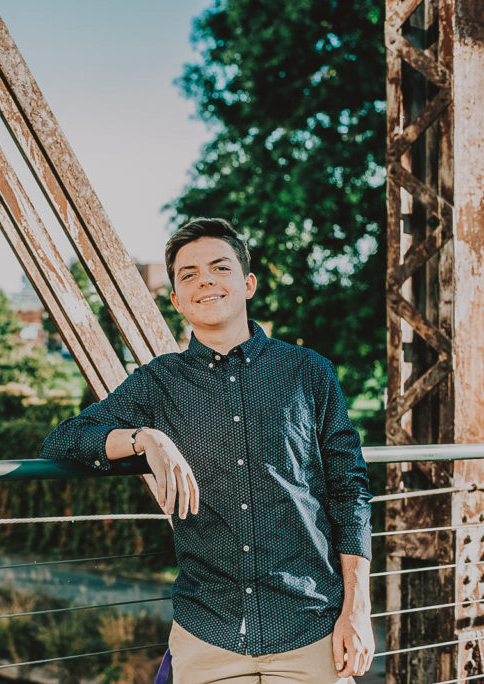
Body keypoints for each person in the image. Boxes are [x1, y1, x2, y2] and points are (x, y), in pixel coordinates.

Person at [39, 218, 374, 682]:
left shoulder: (309, 372)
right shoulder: (159, 382)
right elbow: (65, 438)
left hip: (311, 631)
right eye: (188, 275)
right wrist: (145, 439)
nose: (206, 282)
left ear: (247, 283)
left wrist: (357, 610)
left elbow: (349, 492)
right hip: (208, 639)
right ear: (176, 299)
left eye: (220, 268)